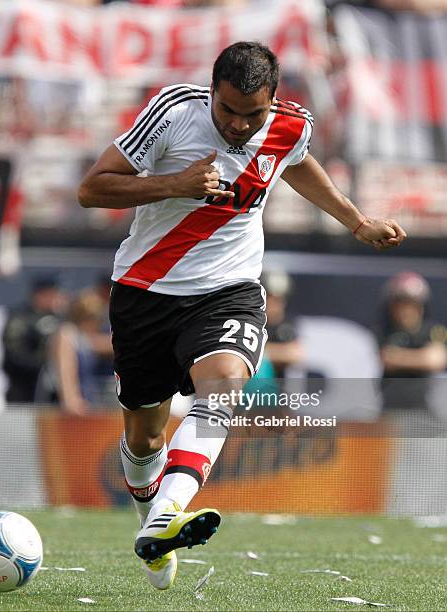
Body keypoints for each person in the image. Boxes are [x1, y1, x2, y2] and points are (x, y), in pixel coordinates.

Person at [77, 41, 406, 589]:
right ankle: (152, 530)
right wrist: (175, 185)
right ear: (212, 91)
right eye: (227, 110)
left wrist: (356, 220)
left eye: (252, 114)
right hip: (146, 291)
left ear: (272, 100)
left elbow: (296, 163)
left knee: (226, 385)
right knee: (144, 440)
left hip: (228, 289)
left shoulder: (289, 125)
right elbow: (92, 189)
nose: (237, 124)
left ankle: (166, 514)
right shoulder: (174, 112)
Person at [36, 289, 114, 413]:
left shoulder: (82, 338)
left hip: (85, 403)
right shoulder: (66, 335)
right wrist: (71, 399)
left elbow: (107, 344)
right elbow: (65, 370)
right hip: (65, 409)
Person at [378, 272, 447, 410]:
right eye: (400, 303)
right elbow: (384, 358)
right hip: (389, 409)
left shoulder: (434, 330)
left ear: (421, 306)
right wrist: (420, 357)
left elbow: (436, 360)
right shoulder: (381, 331)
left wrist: (399, 357)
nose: (406, 310)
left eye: (412, 304)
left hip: (424, 410)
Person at [2, 275, 66, 404]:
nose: (55, 298)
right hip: (24, 388)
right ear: (39, 295)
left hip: (52, 390)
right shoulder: (20, 318)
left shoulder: (60, 318)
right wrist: (42, 364)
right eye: (50, 294)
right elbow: (14, 354)